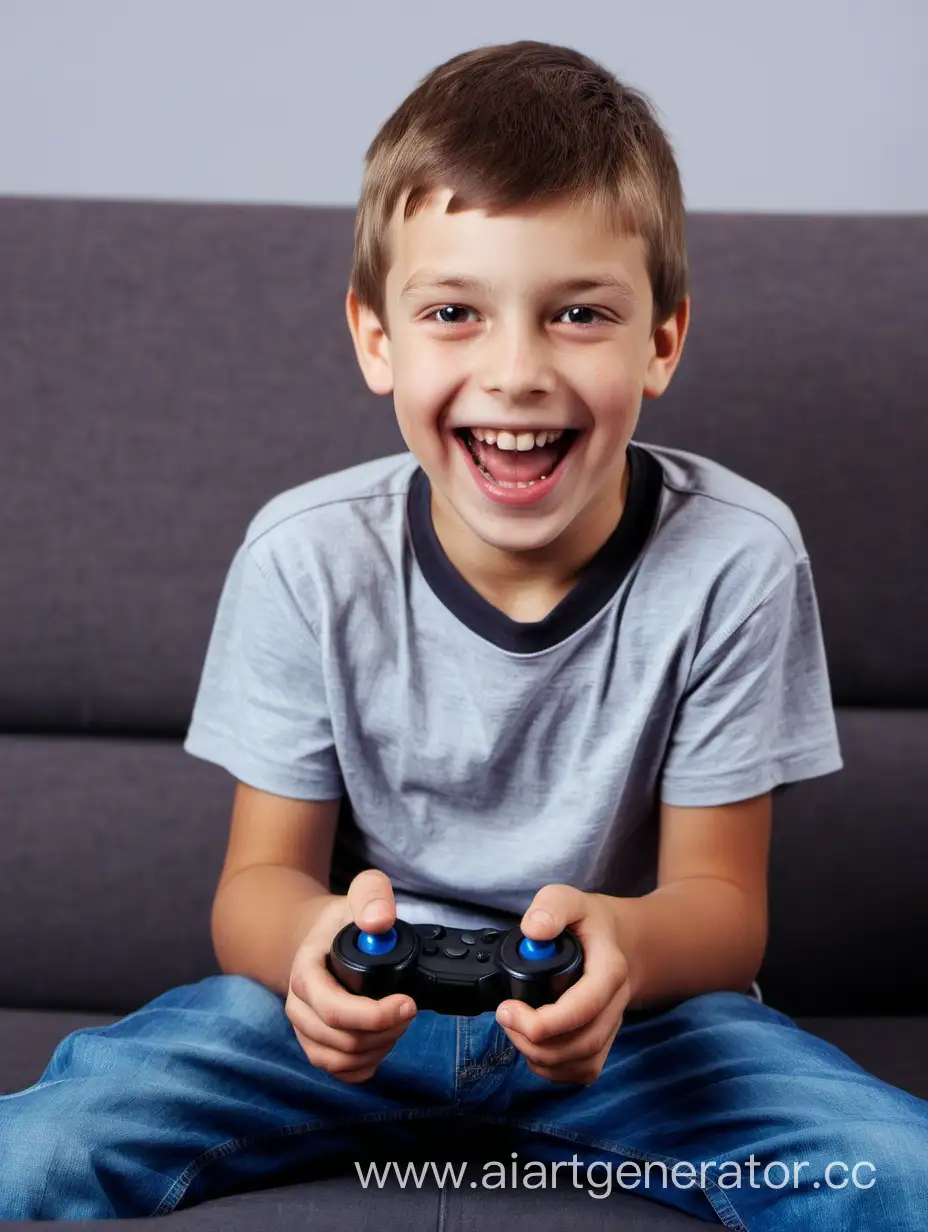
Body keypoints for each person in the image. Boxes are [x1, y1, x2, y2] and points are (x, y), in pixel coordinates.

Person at [1, 38, 926, 1229]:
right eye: (453, 311)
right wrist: (315, 948)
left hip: (630, 1028)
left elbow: (722, 902)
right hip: (340, 1025)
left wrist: (625, 952)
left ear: (662, 339)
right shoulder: (306, 555)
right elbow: (255, 884)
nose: (518, 370)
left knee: (895, 1178)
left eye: (579, 313)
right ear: (376, 337)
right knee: (42, 1148)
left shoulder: (737, 557)